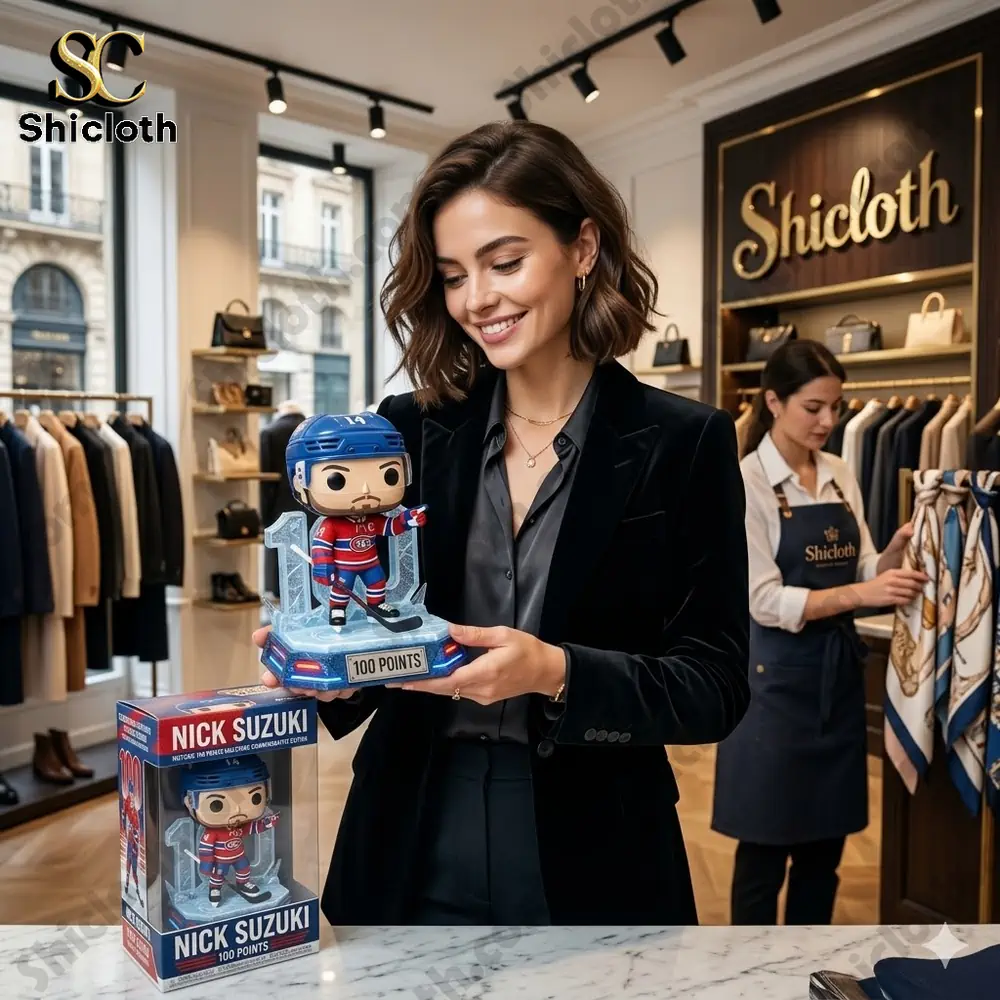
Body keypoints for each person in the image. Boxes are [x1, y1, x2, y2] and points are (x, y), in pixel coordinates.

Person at [255, 120, 750, 926]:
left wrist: (554, 670)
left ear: (583, 247)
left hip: (596, 851)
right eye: (453, 276)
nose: (476, 299)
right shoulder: (405, 431)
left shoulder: (684, 442)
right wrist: (316, 665)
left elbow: (716, 686)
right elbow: (378, 649)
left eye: (505, 262)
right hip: (407, 832)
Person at [711, 340, 928, 926]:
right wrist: (861, 595)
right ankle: (745, 977)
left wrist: (891, 559)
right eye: (814, 407)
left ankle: (808, 968)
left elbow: (860, 569)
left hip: (835, 683)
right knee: (762, 853)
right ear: (774, 402)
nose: (830, 421)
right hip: (771, 689)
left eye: (836, 406)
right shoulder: (745, 482)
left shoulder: (838, 472)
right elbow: (762, 600)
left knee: (824, 852)